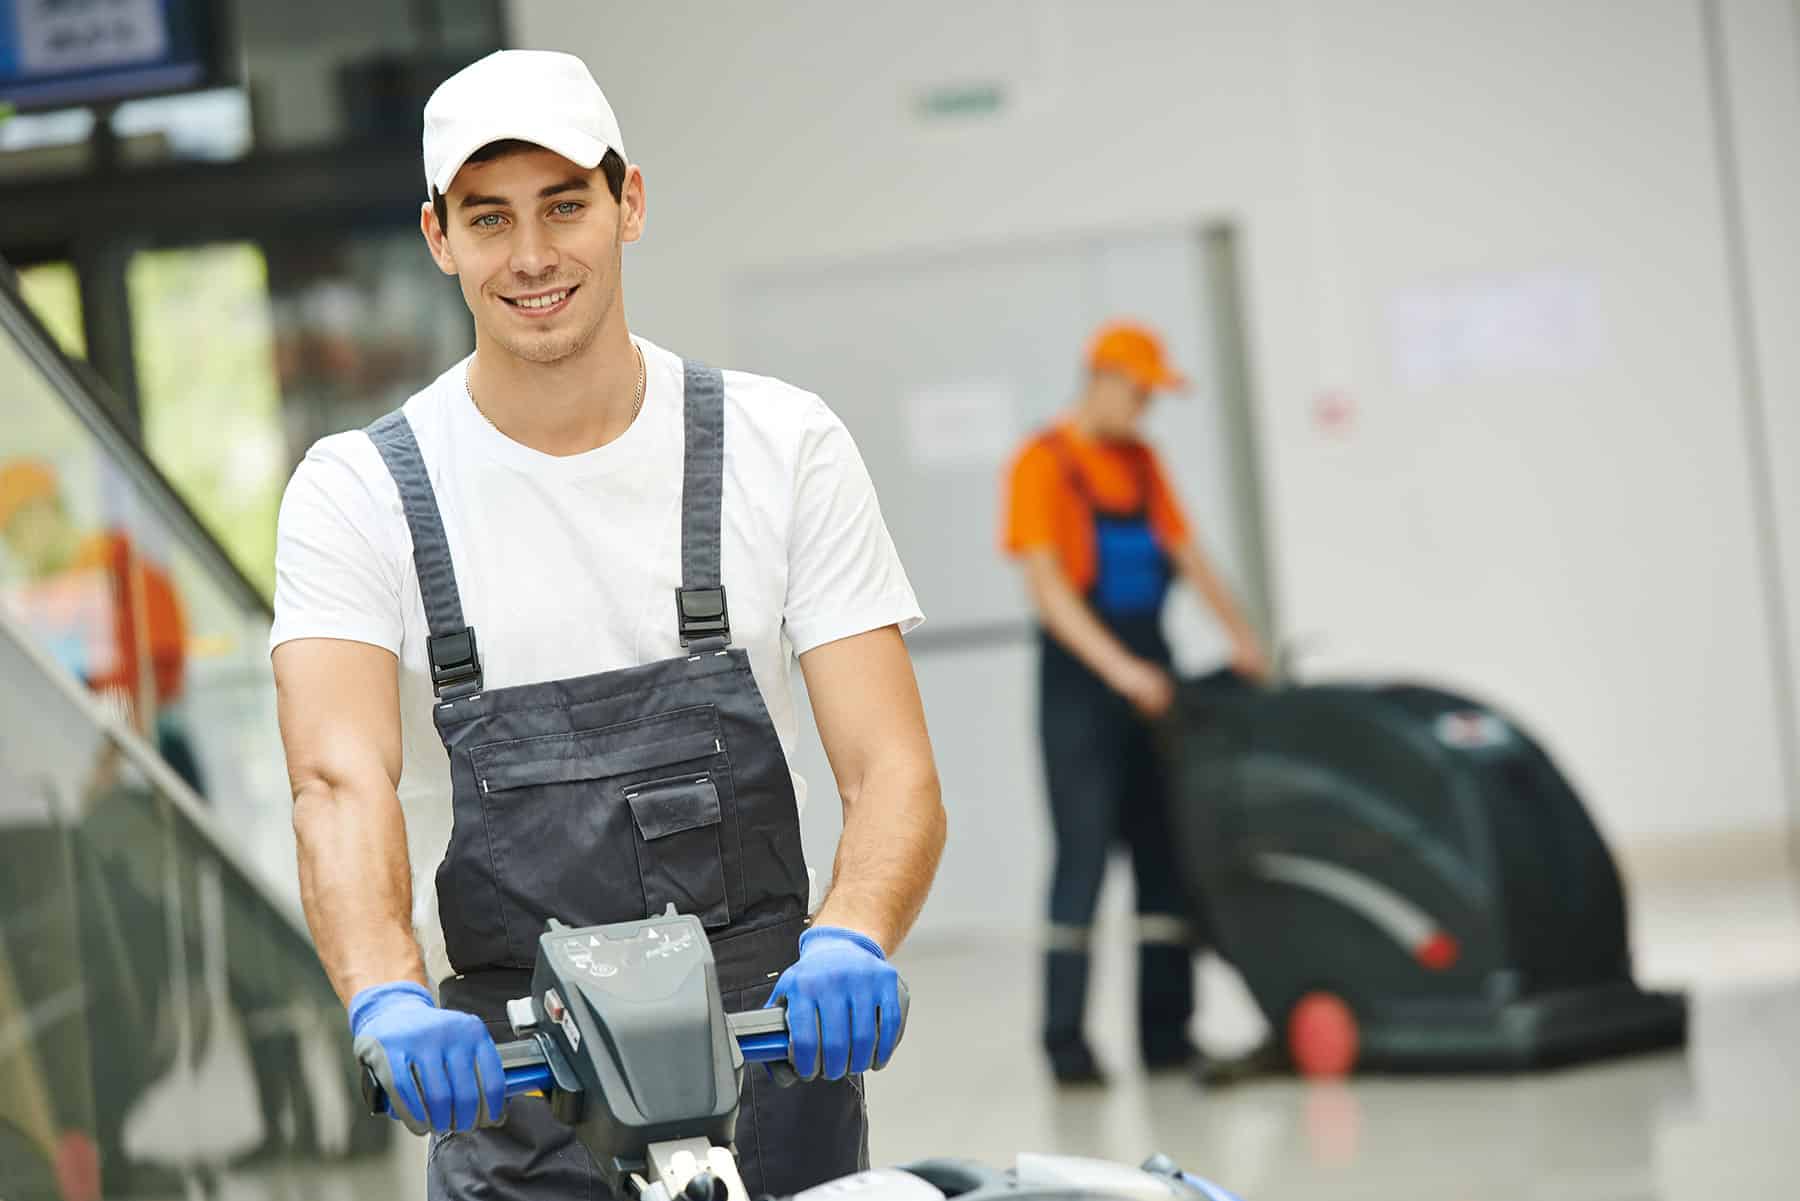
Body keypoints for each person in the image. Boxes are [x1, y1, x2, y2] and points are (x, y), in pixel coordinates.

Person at [268, 50, 946, 1200]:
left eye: (565, 204)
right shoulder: (361, 489)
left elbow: (892, 767)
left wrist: (852, 935)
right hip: (513, 1093)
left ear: (628, 203)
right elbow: (339, 781)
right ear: (440, 238)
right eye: (490, 219)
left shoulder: (783, 447)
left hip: (766, 1064)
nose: (532, 256)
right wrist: (385, 989)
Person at [1001, 321, 1268, 1085]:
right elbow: (1048, 588)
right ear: (1104, 379)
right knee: (1082, 861)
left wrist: (1242, 635)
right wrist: (1122, 671)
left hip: (1154, 680)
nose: (1147, 408)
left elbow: (1189, 553)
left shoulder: (1143, 462)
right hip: (1082, 690)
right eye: (1142, 392)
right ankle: (1066, 1046)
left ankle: (1166, 1037)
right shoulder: (1040, 462)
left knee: (1165, 859)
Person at [0, 457, 204, 793]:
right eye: (10, 537)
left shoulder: (126, 574)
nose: (18, 547)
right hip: (88, 762)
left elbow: (147, 686)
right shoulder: (41, 603)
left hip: (144, 760)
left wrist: (105, 769)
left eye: (17, 530)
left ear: (47, 512)